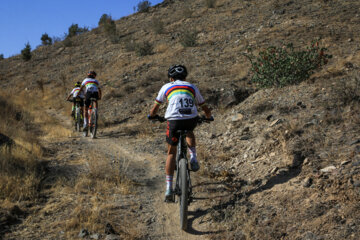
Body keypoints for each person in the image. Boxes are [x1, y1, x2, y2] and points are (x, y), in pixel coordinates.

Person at [148, 64, 212, 201]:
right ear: (185, 77)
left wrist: (152, 116)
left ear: (171, 78)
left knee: (171, 153)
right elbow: (205, 107)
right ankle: (193, 157)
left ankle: (169, 189)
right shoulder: (192, 86)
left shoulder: (166, 87)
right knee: (189, 131)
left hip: (174, 121)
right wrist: (208, 117)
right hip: (190, 119)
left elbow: (154, 109)